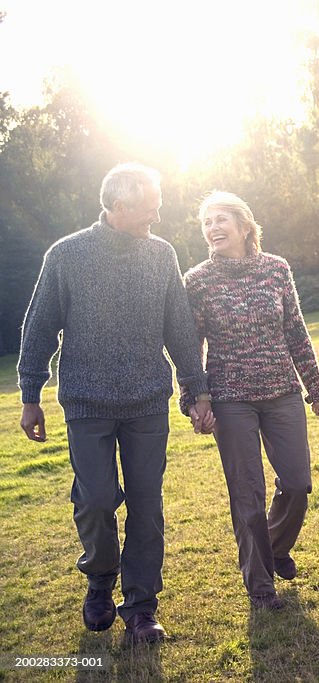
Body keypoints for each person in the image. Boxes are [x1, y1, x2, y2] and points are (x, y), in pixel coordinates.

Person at [17, 163, 212, 643]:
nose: (156, 217)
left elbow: (179, 328)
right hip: (88, 402)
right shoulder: (67, 255)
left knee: (146, 505)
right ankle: (100, 578)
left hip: (147, 400)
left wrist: (197, 386)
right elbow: (39, 327)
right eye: (149, 209)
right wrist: (30, 395)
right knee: (97, 499)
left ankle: (142, 607)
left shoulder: (161, 254)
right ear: (117, 206)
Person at [181, 191, 319, 611]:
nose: (212, 228)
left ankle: (274, 548)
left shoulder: (276, 269)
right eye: (206, 222)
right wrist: (194, 399)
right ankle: (261, 586)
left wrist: (316, 390)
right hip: (230, 399)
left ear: (245, 226)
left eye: (220, 219)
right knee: (247, 494)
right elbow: (188, 347)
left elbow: (296, 332)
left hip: (282, 392)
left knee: (298, 483)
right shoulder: (197, 281)